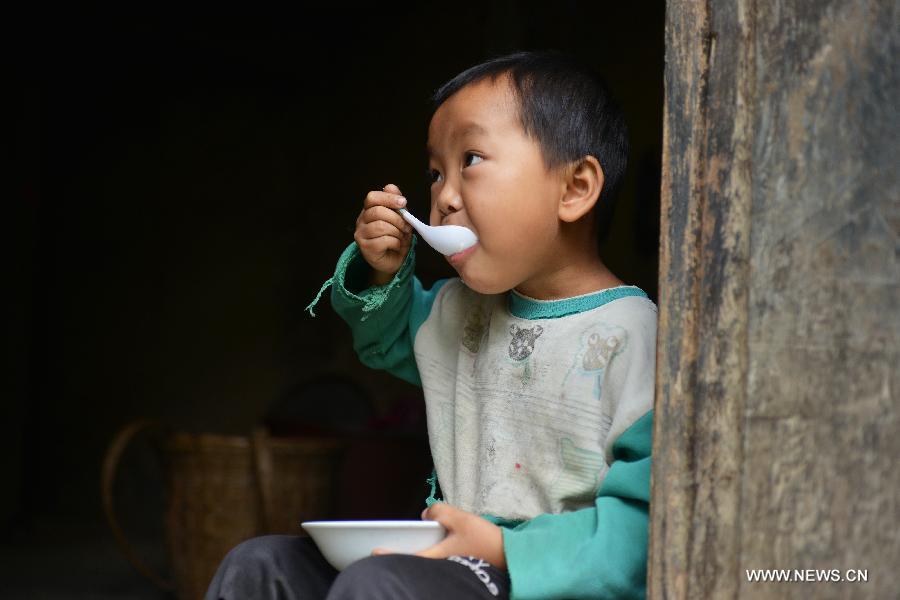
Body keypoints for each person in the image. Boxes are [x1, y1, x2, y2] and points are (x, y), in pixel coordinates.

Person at [206, 50, 656, 600]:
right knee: (260, 565)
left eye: (470, 159)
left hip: (549, 580)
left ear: (575, 188)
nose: (442, 197)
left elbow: (645, 529)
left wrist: (504, 547)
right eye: (435, 171)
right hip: (454, 567)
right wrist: (382, 273)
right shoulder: (456, 313)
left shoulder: (638, 336)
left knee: (378, 584)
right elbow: (385, 338)